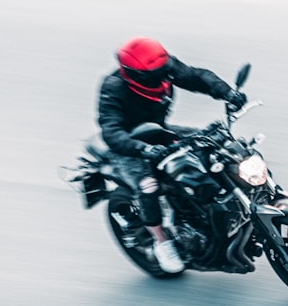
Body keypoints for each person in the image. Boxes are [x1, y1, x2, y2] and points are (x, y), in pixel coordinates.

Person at [97, 37, 247, 274]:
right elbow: (111, 130)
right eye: (155, 73)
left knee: (217, 142)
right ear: (136, 74)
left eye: (164, 69)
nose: (163, 76)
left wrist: (227, 92)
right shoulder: (113, 88)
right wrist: (142, 149)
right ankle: (162, 243)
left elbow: (196, 77)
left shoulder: (164, 68)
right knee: (148, 185)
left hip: (158, 133)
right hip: (128, 146)